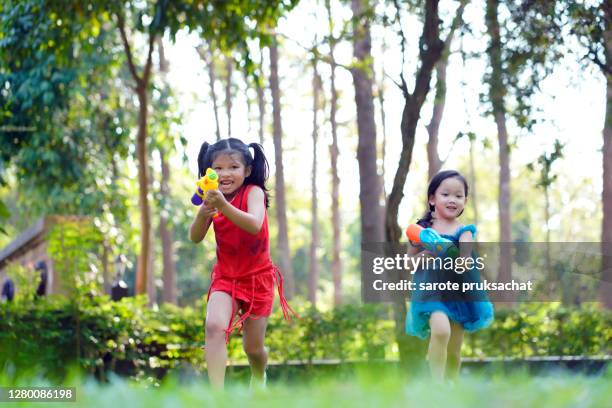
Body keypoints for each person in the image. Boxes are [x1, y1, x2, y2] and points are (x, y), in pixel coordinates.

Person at [189, 138, 296, 389]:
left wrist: (222, 206)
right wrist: (203, 213)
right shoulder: (212, 200)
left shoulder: (253, 193)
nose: (225, 174)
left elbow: (254, 224)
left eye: (233, 167)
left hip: (257, 279)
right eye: (218, 168)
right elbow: (194, 238)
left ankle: (259, 377)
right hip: (225, 278)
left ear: (247, 171)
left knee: (253, 348)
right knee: (214, 326)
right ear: (208, 173)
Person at [405, 170, 494, 382]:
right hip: (431, 293)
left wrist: (463, 259)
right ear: (432, 199)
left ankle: (451, 389)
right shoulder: (421, 230)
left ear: (465, 201)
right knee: (441, 331)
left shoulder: (464, 230)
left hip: (458, 293)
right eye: (446, 194)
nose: (452, 199)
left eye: (458, 195)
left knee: (454, 351)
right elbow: (408, 263)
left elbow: (465, 249)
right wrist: (424, 256)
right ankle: (437, 387)